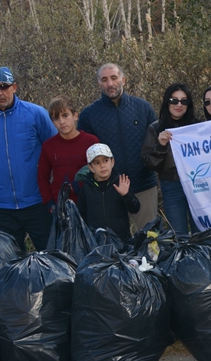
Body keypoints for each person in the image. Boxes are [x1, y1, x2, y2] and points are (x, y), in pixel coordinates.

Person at [0, 67, 56, 250]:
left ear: (14, 87)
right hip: (2, 206)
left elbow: (53, 148)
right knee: (11, 263)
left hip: (37, 201)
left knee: (51, 258)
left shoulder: (36, 114)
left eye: (4, 86)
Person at [77, 63, 158, 230]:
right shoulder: (88, 115)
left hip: (143, 185)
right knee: (113, 243)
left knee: (151, 239)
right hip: (109, 190)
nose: (110, 84)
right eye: (104, 80)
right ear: (99, 84)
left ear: (123, 80)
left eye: (114, 78)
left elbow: (157, 145)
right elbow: (85, 154)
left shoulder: (143, 108)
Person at [143, 84, 197, 235]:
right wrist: (160, 146)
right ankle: (182, 260)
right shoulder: (155, 128)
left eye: (184, 101)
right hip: (171, 185)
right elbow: (149, 162)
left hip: (198, 185)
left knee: (202, 232)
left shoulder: (198, 127)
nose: (179, 105)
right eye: (174, 100)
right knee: (178, 233)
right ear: (167, 102)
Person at [37, 96, 98, 210]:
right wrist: (49, 203)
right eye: (56, 118)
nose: (62, 121)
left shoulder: (91, 141)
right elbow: (42, 178)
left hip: (88, 205)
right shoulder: (48, 146)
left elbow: (100, 172)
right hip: (60, 206)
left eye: (65, 115)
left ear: (75, 116)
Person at [74, 143, 140, 244]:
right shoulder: (86, 187)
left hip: (121, 240)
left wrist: (126, 195)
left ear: (112, 162)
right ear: (91, 167)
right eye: (96, 163)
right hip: (95, 242)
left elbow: (135, 208)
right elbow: (81, 215)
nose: (102, 165)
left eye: (105, 160)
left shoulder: (121, 182)